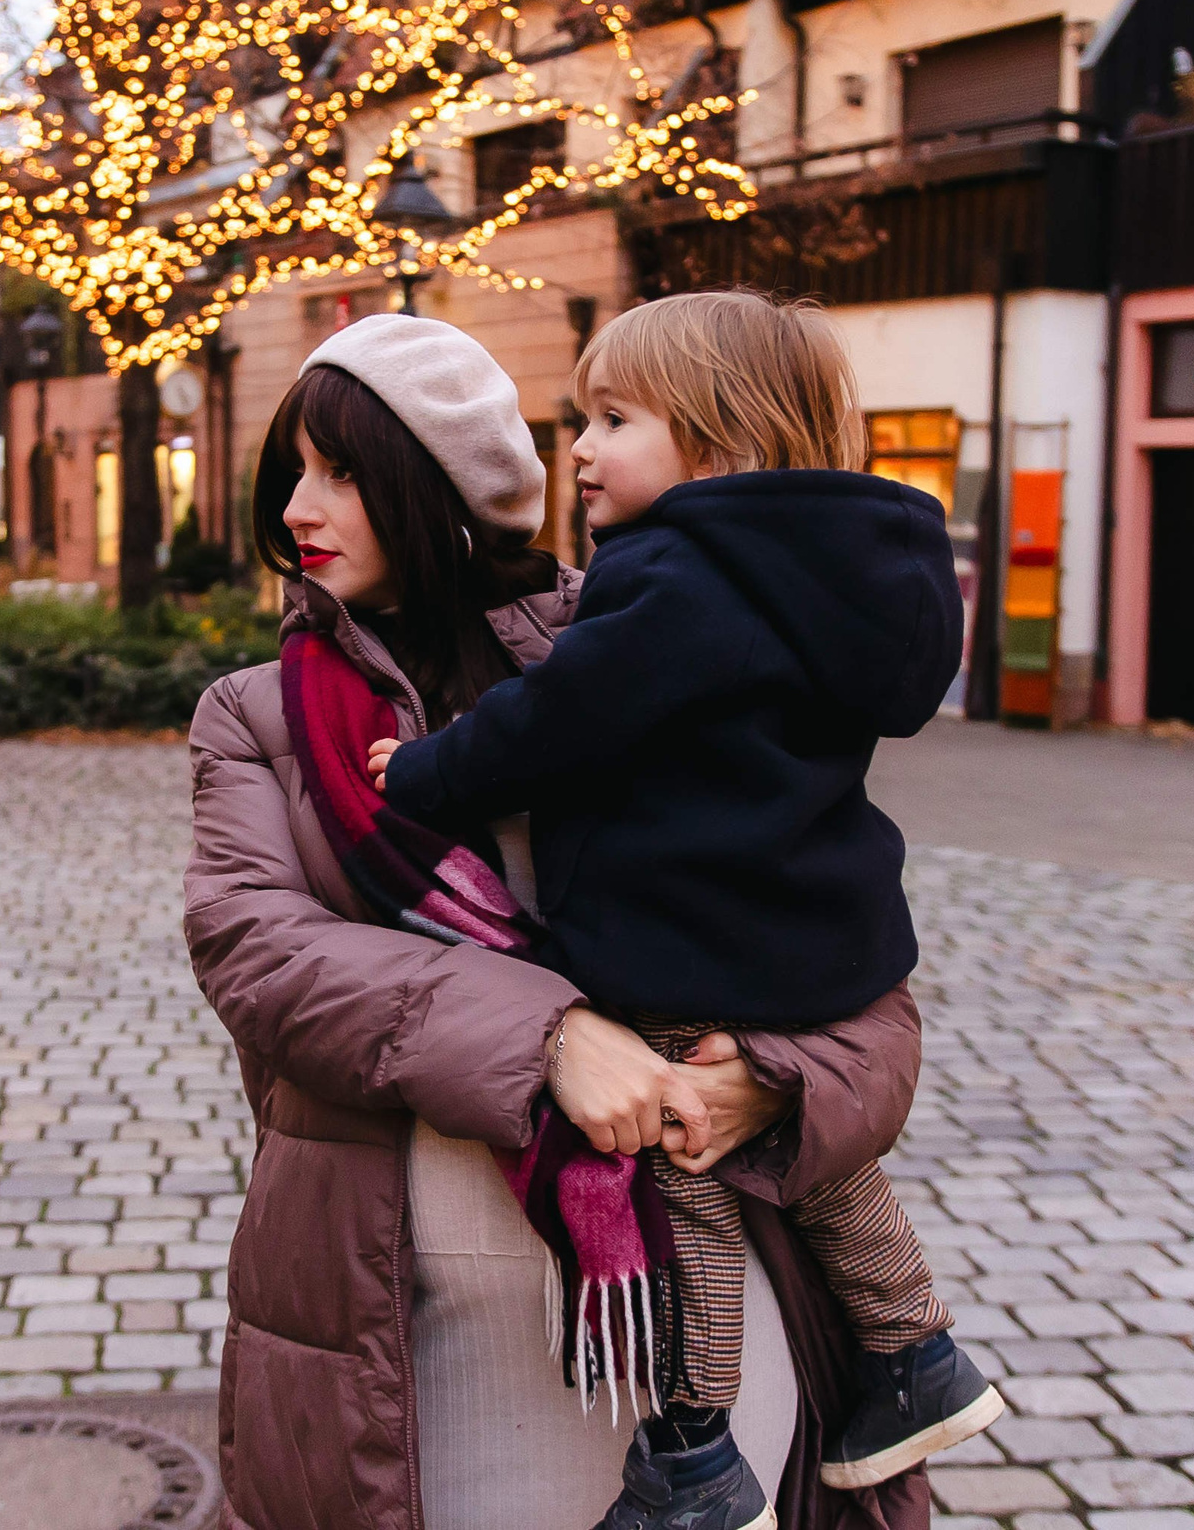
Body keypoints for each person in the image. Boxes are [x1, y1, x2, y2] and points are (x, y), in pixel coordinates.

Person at [184, 311, 933, 1530]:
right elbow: (261, 954)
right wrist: (550, 1036)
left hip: (710, 1308)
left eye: (341, 473)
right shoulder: (257, 718)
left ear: (443, 492)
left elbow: (855, 975)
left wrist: (764, 1082)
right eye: (290, 480)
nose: (297, 514)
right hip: (409, 1332)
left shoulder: (657, 640)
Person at [367, 292, 1000, 1530]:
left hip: (683, 936)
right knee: (806, 1158)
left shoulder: (674, 572)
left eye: (611, 419)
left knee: (683, 1161)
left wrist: (430, 772)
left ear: (715, 441)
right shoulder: (853, 573)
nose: (582, 451)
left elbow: (562, 718)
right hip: (815, 931)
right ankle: (914, 1356)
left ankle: (694, 1453)